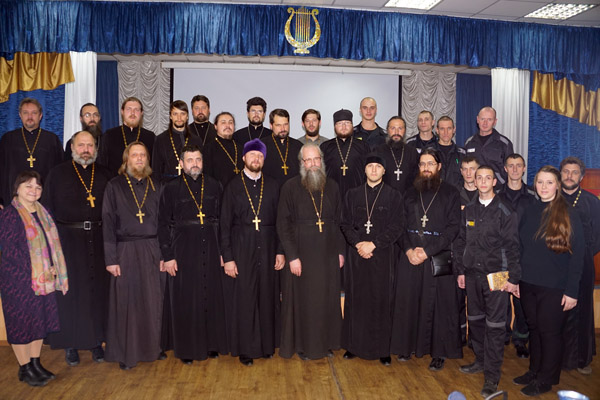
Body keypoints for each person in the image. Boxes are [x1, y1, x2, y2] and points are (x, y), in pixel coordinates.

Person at [513, 165, 584, 396]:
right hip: (528, 283)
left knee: (550, 332)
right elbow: (520, 247)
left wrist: (572, 291)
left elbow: (578, 255)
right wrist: (516, 280)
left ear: (558, 185)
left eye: (549, 182)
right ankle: (534, 371)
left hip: (555, 287)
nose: (544, 187)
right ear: (535, 184)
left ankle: (546, 379)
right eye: (540, 182)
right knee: (534, 329)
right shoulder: (530, 209)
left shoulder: (569, 213)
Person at [43, 131, 112, 366]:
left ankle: (96, 342)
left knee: (96, 292)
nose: (85, 150)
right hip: (67, 241)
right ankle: (70, 343)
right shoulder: (57, 174)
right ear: (72, 147)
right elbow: (46, 212)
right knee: (71, 293)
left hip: (99, 238)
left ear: (96, 149)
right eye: (81, 145)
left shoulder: (105, 174)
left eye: (90, 145)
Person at [390, 148, 462, 370]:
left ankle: (438, 352)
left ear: (439, 166)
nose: (426, 168)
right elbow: (399, 225)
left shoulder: (451, 193)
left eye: (431, 163)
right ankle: (406, 345)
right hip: (411, 254)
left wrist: (427, 251)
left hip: (437, 255)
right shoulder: (409, 193)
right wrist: (409, 250)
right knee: (408, 301)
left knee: (439, 306)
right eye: (422, 164)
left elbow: (453, 229)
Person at [158, 144, 228, 364]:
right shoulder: (170, 188)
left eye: (198, 159)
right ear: (181, 163)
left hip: (212, 246)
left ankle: (212, 344)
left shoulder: (215, 185)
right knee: (187, 299)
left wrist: (224, 252)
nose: (194, 164)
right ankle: (187, 349)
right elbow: (163, 224)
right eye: (190, 160)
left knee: (211, 295)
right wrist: (168, 256)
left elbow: (223, 221)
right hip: (183, 249)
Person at [455, 165, 520, 397]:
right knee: (475, 321)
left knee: (495, 327)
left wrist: (513, 278)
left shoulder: (505, 210)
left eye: (487, 178)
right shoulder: (469, 210)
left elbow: (513, 247)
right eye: (479, 177)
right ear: (474, 180)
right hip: (472, 274)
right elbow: (461, 241)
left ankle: (492, 377)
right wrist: (460, 271)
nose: (482, 181)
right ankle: (480, 361)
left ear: (494, 182)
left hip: (497, 276)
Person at [277, 143, 345, 360]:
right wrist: (292, 256)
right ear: (302, 163)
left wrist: (341, 251)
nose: (313, 164)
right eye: (309, 160)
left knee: (326, 300)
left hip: (327, 253)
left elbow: (339, 222)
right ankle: (303, 346)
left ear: (321, 160)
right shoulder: (290, 187)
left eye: (317, 159)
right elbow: (283, 225)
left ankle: (325, 343)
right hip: (302, 254)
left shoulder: (332, 186)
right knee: (304, 302)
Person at [0, 171, 68, 386]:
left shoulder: (43, 212)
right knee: (21, 324)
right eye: (28, 186)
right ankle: (25, 368)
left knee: (39, 321)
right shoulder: (9, 214)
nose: (34, 190)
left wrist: (52, 267)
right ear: (17, 189)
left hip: (43, 278)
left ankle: (35, 363)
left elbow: (51, 245)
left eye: (38, 187)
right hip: (17, 279)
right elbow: (10, 251)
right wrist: (36, 270)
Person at [220, 139, 285, 366]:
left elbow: (281, 222)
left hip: (268, 246)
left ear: (263, 160)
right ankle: (246, 349)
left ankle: (267, 346)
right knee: (246, 298)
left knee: (267, 295)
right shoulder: (232, 186)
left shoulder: (273, 185)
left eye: (259, 156)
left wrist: (280, 251)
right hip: (242, 247)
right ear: (244, 158)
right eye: (252, 155)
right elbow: (224, 225)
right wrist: (228, 258)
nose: (256, 159)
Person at [102, 141, 165, 370]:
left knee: (152, 301)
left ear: (147, 159)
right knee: (127, 302)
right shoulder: (114, 186)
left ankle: (152, 348)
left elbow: (164, 222)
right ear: (126, 159)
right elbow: (108, 223)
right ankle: (126, 352)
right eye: (135, 155)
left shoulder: (157, 185)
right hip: (125, 250)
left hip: (152, 248)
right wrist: (111, 259)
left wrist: (164, 254)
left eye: (143, 155)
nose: (139, 159)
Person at [340, 154, 404, 366]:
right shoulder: (352, 194)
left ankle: (382, 349)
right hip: (357, 256)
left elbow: (397, 226)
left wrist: (373, 244)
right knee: (356, 300)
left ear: (384, 170)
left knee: (381, 301)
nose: (374, 170)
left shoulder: (394, 196)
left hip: (382, 256)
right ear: (365, 170)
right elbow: (345, 224)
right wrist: (359, 244)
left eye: (378, 166)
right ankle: (353, 346)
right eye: (370, 166)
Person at [559, 156, 600, 374]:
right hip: (555, 264)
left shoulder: (592, 201)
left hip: (583, 263)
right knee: (557, 311)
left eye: (574, 172)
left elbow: (598, 235)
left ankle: (582, 359)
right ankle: (558, 358)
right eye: (566, 171)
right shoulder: (552, 198)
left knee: (582, 310)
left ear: (581, 176)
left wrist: (582, 255)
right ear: (560, 174)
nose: (569, 176)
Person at [497, 153, 537, 358]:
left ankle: (521, 339)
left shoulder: (534, 196)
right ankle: (502, 336)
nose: (514, 169)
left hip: (525, 258)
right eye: (510, 166)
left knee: (523, 303)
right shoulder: (495, 194)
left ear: (524, 168)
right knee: (500, 300)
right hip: (499, 258)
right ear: (505, 169)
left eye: (518, 165)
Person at [0, 97, 63, 207]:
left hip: (45, 201)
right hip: (13, 199)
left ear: (40, 115)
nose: (30, 117)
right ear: (20, 115)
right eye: (25, 113)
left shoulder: (52, 139)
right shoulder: (8, 139)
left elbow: (60, 172)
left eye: (34, 113)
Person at [99, 97, 155, 176]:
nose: (132, 113)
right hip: (115, 182)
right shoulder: (109, 135)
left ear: (141, 113)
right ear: (122, 112)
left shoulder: (150, 137)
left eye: (136, 110)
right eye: (129, 109)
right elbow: (102, 165)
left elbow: (154, 166)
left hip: (143, 182)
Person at [320, 109, 370, 199]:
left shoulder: (363, 146)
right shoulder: (325, 147)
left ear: (352, 125)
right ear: (334, 126)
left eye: (347, 123)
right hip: (332, 196)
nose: (343, 127)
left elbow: (368, 171)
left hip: (358, 195)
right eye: (340, 123)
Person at [463, 107, 514, 187]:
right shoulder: (469, 143)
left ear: (495, 121)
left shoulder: (504, 143)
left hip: (498, 189)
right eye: (482, 119)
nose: (485, 123)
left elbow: (511, 170)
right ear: (477, 120)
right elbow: (464, 166)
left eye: (489, 119)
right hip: (475, 188)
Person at [153, 100, 200, 182]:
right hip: (167, 185)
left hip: (191, 184)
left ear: (187, 116)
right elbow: (156, 169)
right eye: (175, 114)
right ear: (170, 116)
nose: (179, 118)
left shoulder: (196, 140)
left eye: (183, 114)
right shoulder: (160, 139)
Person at [374, 116, 419, 193]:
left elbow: (416, 178)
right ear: (387, 130)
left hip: (407, 196)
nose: (396, 132)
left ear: (405, 130)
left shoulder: (412, 152)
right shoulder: (378, 151)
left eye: (400, 128)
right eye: (393, 128)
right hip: (384, 195)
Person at [261, 108, 303, 187]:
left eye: (285, 124)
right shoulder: (262, 145)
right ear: (271, 126)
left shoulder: (298, 146)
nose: (283, 129)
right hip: (270, 190)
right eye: (278, 125)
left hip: (294, 190)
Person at [203, 112, 243, 188]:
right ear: (215, 126)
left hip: (239, 191)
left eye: (230, 122)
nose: (227, 126)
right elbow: (207, 177)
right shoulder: (208, 149)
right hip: (218, 192)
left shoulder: (240, 148)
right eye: (223, 122)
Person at [433, 116, 465, 189]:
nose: (446, 132)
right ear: (437, 130)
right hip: (434, 194)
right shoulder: (430, 153)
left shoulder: (462, 154)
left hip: (456, 194)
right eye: (442, 129)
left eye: (449, 128)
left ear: (454, 130)